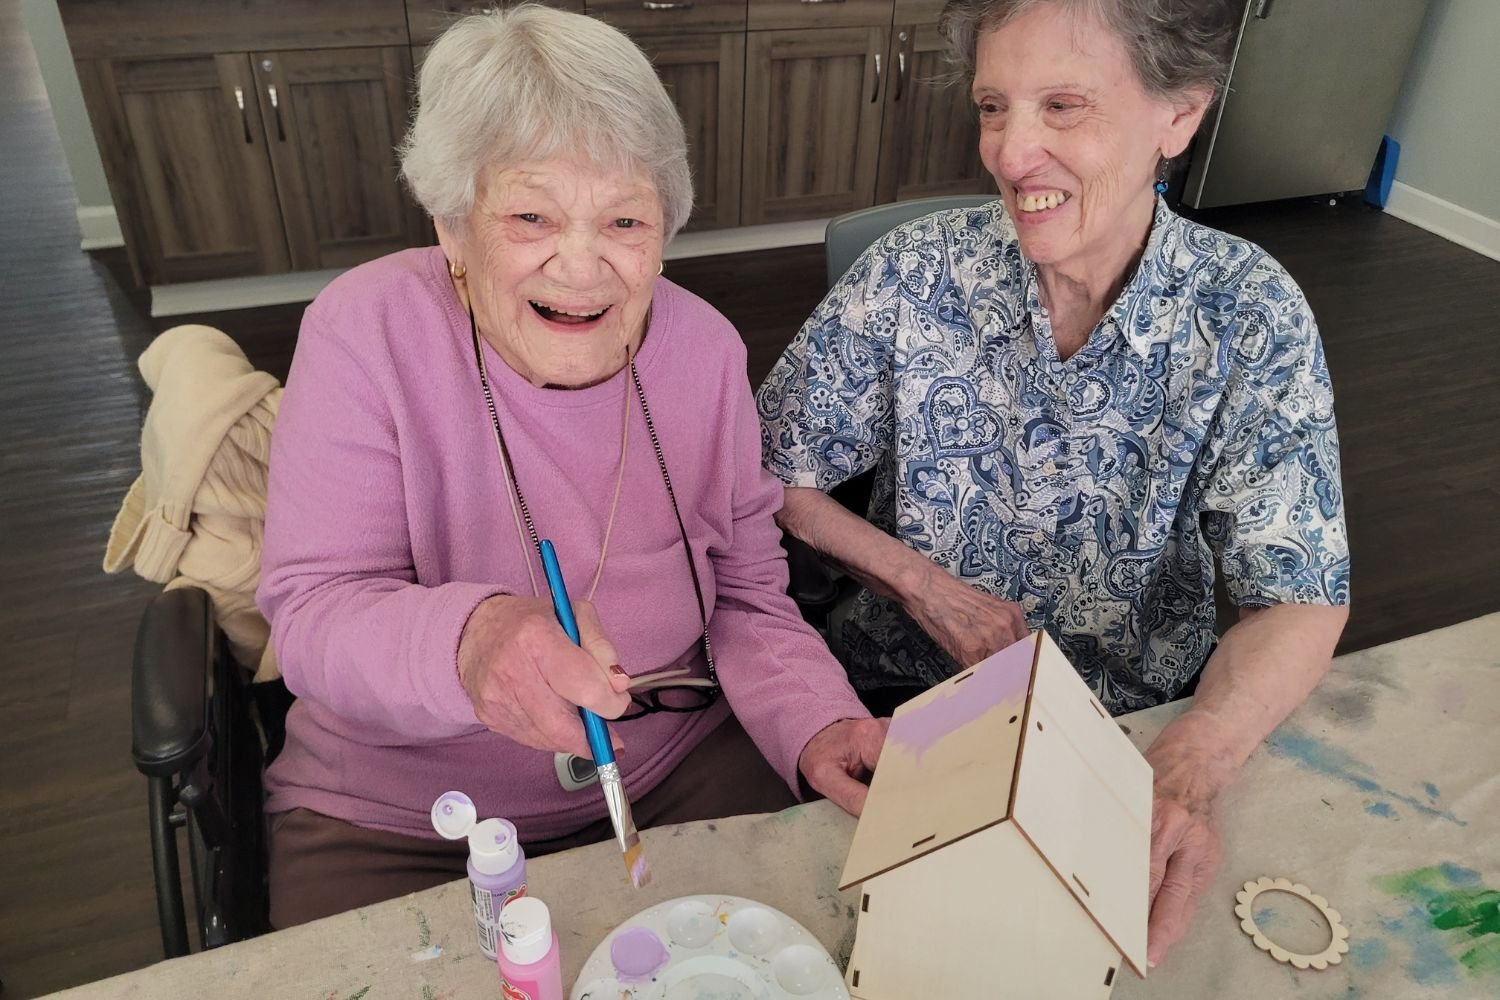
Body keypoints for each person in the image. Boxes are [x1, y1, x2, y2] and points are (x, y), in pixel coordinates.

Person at [258, 4, 884, 929]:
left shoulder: (704, 351)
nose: (584, 265)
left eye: (625, 218)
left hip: (671, 770)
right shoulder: (367, 331)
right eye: (530, 215)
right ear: (452, 223)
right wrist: (471, 641)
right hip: (406, 819)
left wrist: (817, 721)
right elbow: (311, 612)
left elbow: (750, 596)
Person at [757, 0, 1350, 966]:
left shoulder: (1251, 315)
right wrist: (922, 586)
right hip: (901, 704)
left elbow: (1300, 599)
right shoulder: (914, 273)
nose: (1010, 151)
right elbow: (771, 477)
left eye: (1062, 105)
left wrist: (1192, 760)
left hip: (1131, 730)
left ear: (1180, 117)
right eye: (995, 106)